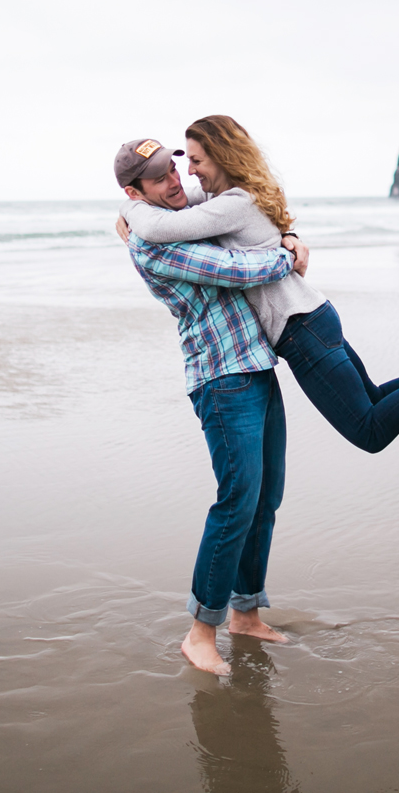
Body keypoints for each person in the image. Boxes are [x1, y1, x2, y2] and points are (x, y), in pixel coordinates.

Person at [118, 116, 399, 458]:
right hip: (314, 317)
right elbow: (173, 206)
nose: (188, 171)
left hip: (299, 329)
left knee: (369, 432)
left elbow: (159, 226)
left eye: (195, 160)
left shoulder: (229, 205)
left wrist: (128, 209)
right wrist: (134, 203)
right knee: (373, 397)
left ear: (222, 158)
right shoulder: (234, 195)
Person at [114, 137, 309, 677]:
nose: (175, 181)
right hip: (221, 380)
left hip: (255, 365)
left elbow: (242, 209)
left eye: (174, 170)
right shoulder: (154, 244)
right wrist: (287, 253)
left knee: (265, 497)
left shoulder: (176, 214)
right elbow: (240, 269)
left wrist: (287, 232)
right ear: (136, 192)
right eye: (158, 181)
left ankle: (245, 615)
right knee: (237, 499)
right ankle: (200, 631)